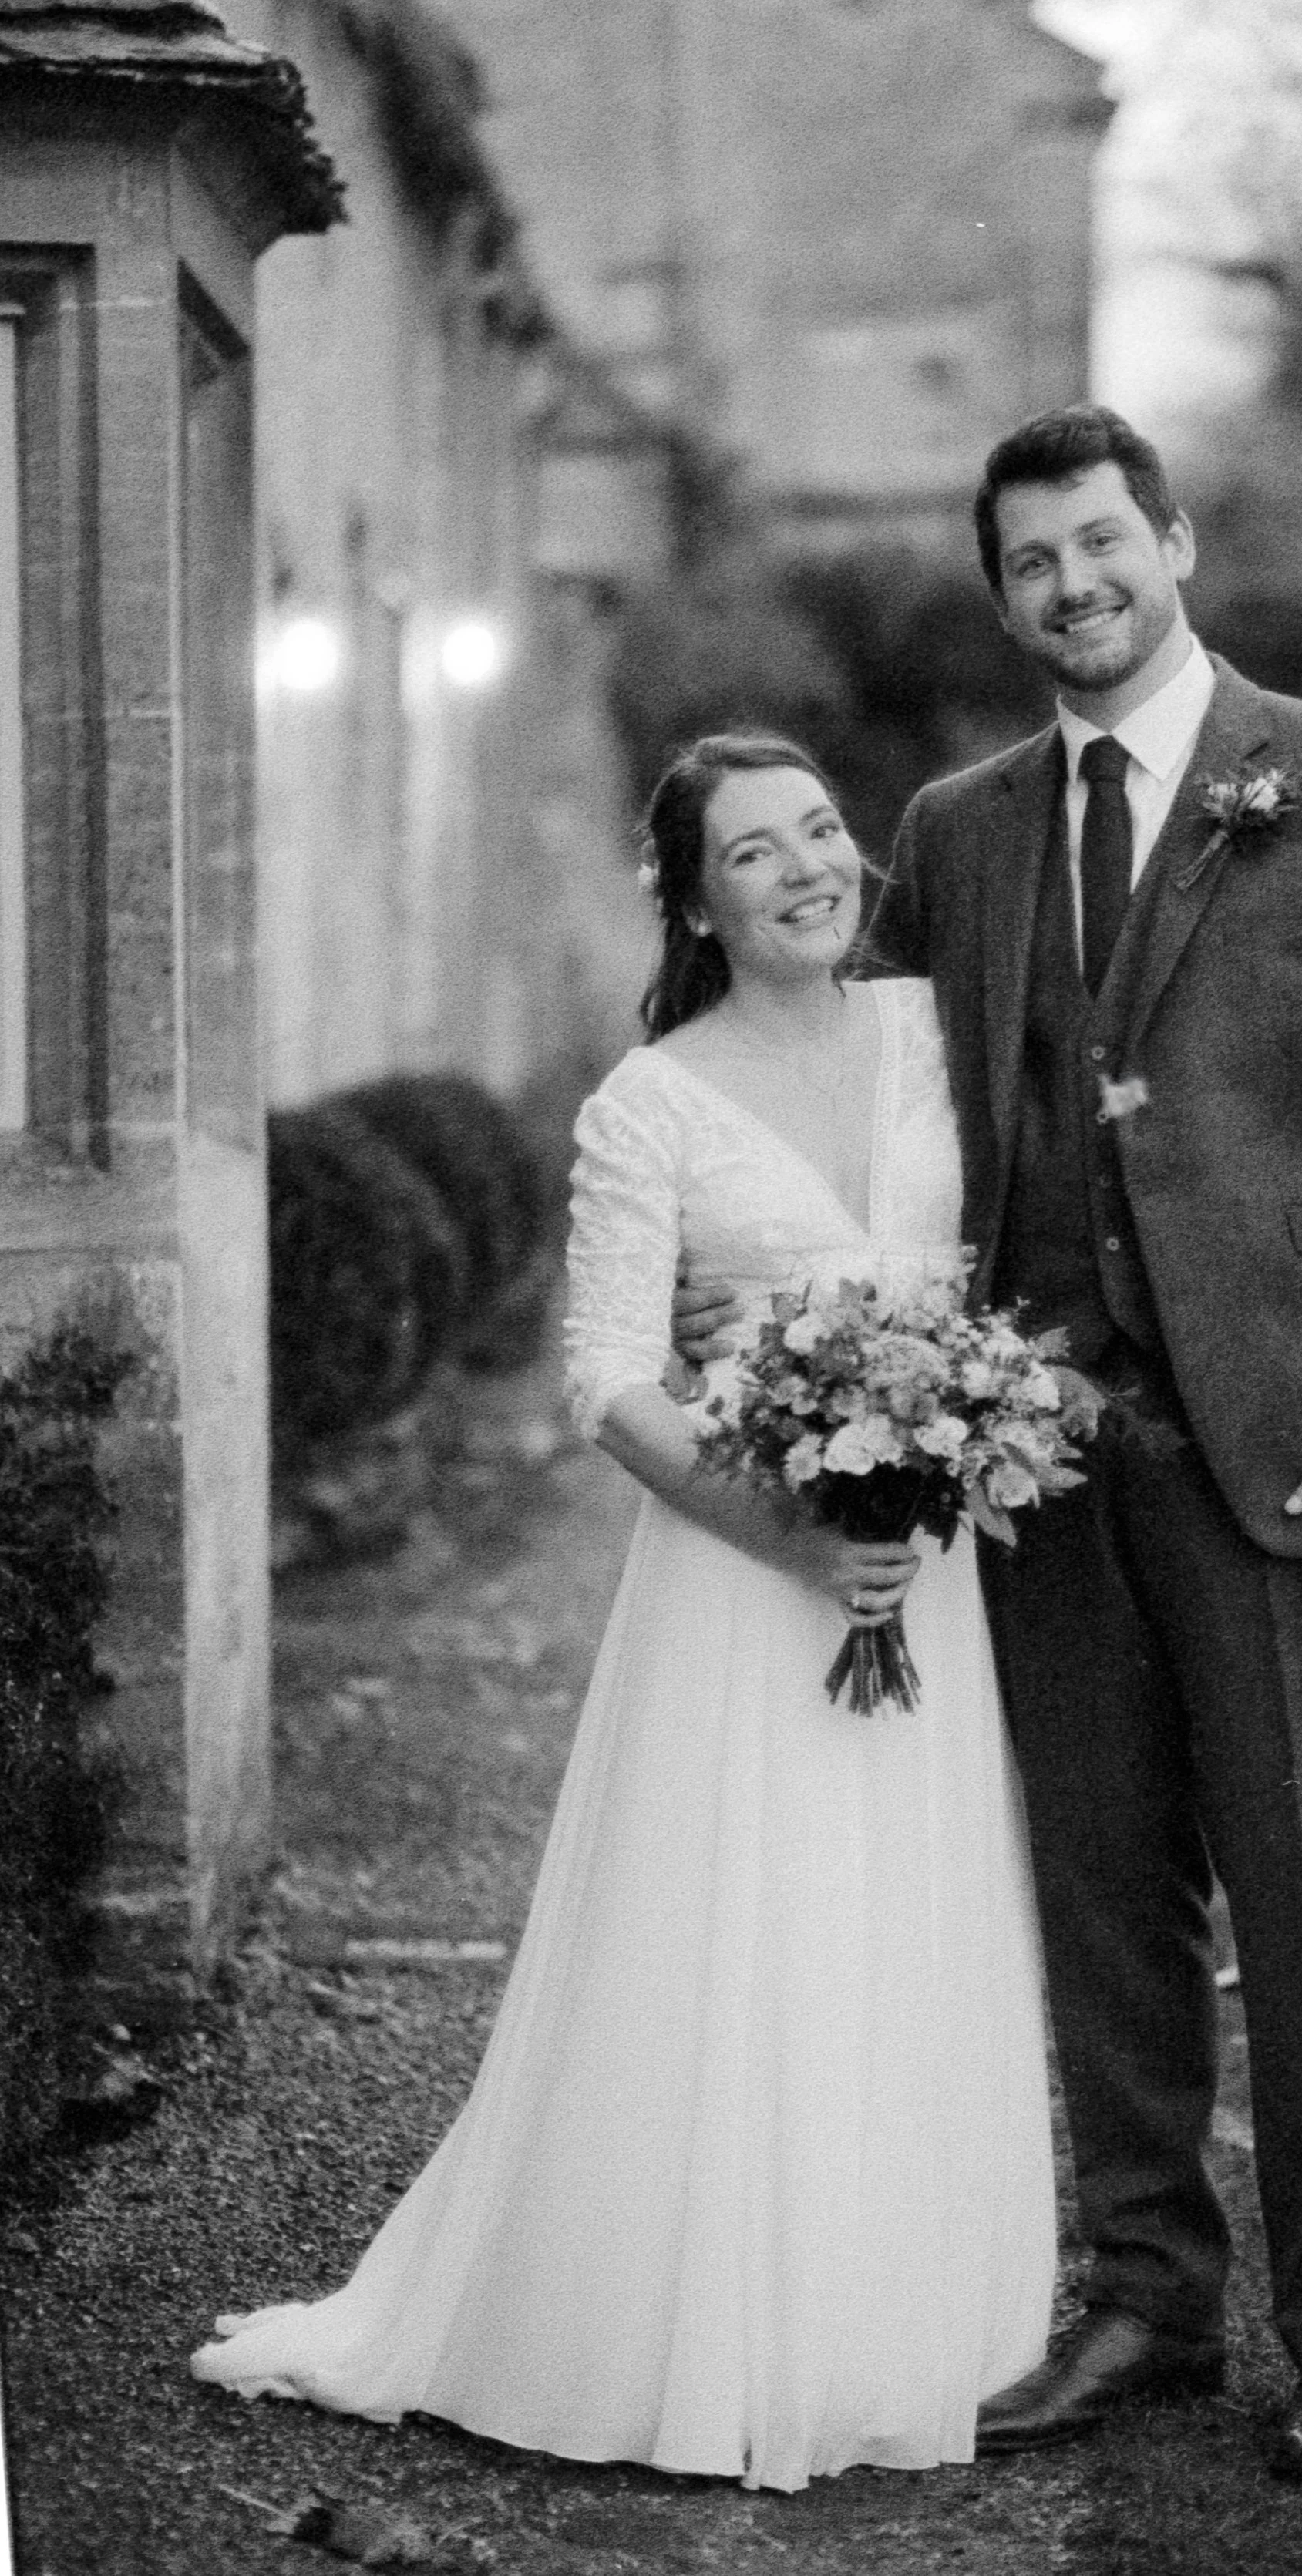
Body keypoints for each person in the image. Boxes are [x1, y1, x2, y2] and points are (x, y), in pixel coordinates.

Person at [676, 408, 1302, 2476]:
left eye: (1100, 542)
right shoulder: (954, 826)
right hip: (1031, 1452)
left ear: (1173, 541)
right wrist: (724, 1244)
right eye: (1030, 560)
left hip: (1291, 1449)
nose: (1072, 585)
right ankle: (1141, 2293)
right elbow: (850, 1080)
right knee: (1095, 1891)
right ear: (1000, 591)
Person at [190, 734, 1057, 2494]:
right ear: (693, 900)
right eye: (755, 853)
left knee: (910, 1910)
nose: (808, 867)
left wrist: (961, 1438)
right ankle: (697, 2326)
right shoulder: (648, 1099)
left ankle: (903, 2316)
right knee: (747, 1925)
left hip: (931, 1576)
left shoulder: (932, 1038)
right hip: (749, 1588)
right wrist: (792, 1535)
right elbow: (605, 1378)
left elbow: (1013, 1261)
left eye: (821, 831)